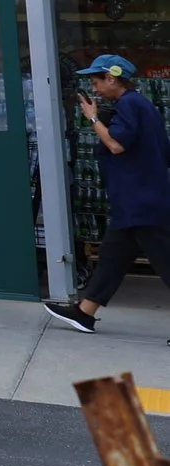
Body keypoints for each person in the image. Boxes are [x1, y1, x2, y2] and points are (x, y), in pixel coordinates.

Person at [44, 54, 170, 334]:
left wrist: (92, 118)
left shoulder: (130, 104)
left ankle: (85, 312)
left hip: (142, 203)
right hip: (135, 201)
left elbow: (116, 145)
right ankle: (84, 313)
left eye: (96, 82)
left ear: (112, 78)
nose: (95, 89)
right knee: (113, 258)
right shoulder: (138, 106)